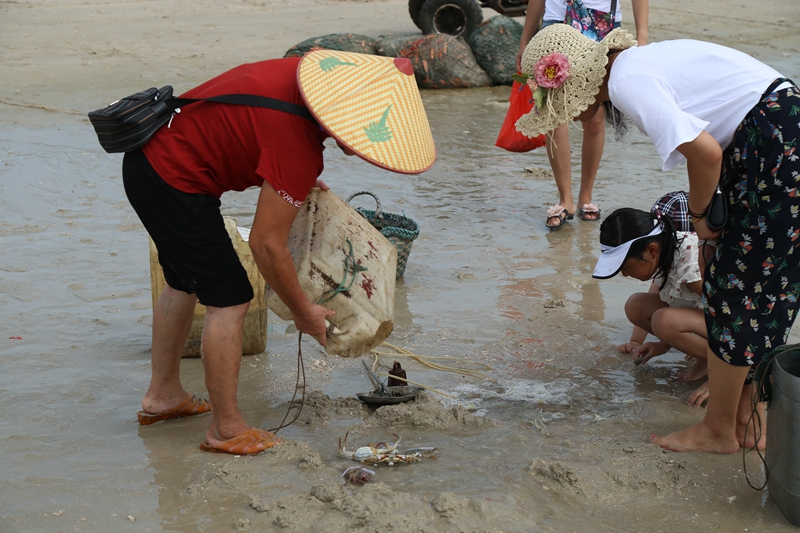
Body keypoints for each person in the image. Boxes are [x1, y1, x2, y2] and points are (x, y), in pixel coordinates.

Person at [123, 51, 435, 455]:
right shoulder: (298, 148)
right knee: (230, 298)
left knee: (183, 281)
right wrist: (304, 311)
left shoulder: (295, 75)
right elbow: (266, 246)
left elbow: (245, 131)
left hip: (149, 160)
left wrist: (287, 176)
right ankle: (226, 430)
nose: (360, 147)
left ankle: (162, 396)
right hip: (173, 180)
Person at [517, 23, 800, 453]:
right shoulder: (640, 65)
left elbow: (705, 153)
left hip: (771, 142)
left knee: (736, 290)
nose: (573, 116)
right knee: (766, 285)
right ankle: (745, 421)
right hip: (780, 131)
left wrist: (703, 221)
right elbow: (706, 148)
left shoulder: (628, 82)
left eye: (565, 105)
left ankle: (718, 430)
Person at [516, 0, 648, 229]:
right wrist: (524, 41)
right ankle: (565, 199)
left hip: (600, 24)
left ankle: (586, 196)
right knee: (555, 116)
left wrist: (642, 37)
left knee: (595, 118)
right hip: (555, 26)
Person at [594, 207, 710, 407]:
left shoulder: (691, 268)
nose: (624, 274)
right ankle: (708, 358)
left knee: (664, 321)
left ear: (651, 251)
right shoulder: (665, 254)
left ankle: (726, 368)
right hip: (709, 317)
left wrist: (721, 381)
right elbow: (671, 301)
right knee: (636, 305)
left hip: (740, 329)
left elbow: (734, 315)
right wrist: (663, 344)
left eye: (626, 267)